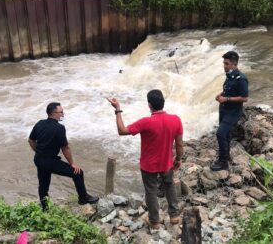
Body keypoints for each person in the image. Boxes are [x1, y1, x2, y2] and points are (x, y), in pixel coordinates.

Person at [107, 90, 184, 229]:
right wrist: (178, 159)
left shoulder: (146, 122)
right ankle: (174, 216)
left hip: (149, 165)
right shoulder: (176, 120)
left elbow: (121, 130)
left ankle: (154, 222)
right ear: (163, 102)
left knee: (151, 191)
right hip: (167, 163)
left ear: (149, 105)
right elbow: (179, 144)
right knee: (169, 185)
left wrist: (118, 110)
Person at [28, 102, 99, 210]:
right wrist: (72, 164)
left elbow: (31, 140)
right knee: (78, 173)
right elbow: (65, 148)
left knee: (43, 185)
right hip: (50, 162)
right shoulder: (59, 128)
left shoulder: (39, 123)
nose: (63, 114)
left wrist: (38, 151)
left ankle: (45, 208)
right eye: (61, 112)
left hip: (38, 159)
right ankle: (83, 198)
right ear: (53, 113)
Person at [211, 51, 249, 171]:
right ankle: (226, 157)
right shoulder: (230, 76)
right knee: (226, 135)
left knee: (220, 133)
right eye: (224, 63)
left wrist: (226, 99)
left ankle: (223, 162)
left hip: (233, 112)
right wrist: (220, 95)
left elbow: (244, 98)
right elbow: (228, 90)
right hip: (224, 110)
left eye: (226, 63)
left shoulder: (241, 79)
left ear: (234, 64)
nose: (224, 65)